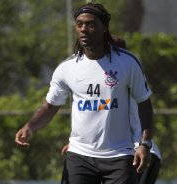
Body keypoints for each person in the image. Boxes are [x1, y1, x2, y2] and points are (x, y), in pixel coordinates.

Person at [15, 3, 154, 184]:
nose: (84, 29)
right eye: (79, 24)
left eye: (90, 24)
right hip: (80, 156)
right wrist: (29, 127)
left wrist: (144, 144)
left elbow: (144, 103)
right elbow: (50, 106)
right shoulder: (67, 68)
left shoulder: (127, 63)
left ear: (104, 27)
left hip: (120, 156)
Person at [61, 35, 161, 184]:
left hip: (132, 152)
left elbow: (104, 112)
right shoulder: (125, 73)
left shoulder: (121, 76)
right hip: (136, 151)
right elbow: (102, 116)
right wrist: (82, 144)